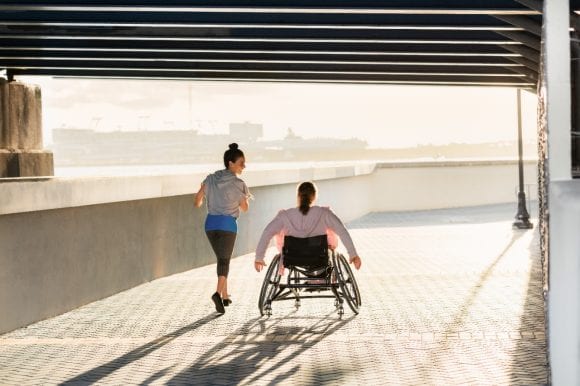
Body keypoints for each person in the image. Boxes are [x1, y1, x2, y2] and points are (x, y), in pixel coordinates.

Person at [254, 181, 362, 273]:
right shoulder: (324, 213)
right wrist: (353, 254)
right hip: (320, 256)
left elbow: (267, 232)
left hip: (292, 257)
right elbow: (342, 231)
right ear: (314, 196)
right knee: (331, 237)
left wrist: (259, 257)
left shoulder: (284, 216)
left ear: (298, 196)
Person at [195, 143, 250, 314]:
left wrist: (210, 200)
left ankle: (225, 296)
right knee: (224, 261)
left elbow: (197, 200)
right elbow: (245, 208)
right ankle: (217, 294)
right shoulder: (239, 183)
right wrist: (242, 198)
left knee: (222, 258)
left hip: (210, 224)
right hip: (227, 225)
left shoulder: (211, 178)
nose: (244, 166)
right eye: (241, 163)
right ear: (231, 163)